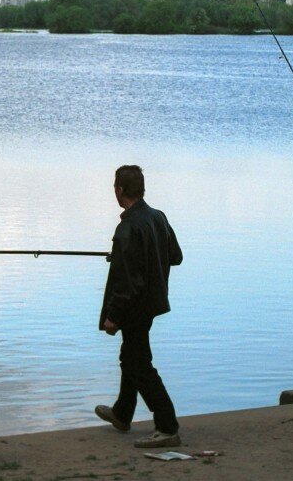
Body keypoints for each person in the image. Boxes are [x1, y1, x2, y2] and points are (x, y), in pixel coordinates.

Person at [95, 165, 184, 447]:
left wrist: (113, 317)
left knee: (138, 363)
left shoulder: (128, 227)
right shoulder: (158, 217)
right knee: (131, 355)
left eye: (115, 188)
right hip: (152, 303)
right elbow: (176, 256)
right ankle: (122, 413)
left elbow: (127, 283)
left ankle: (167, 426)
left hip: (134, 307)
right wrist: (131, 255)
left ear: (119, 190)